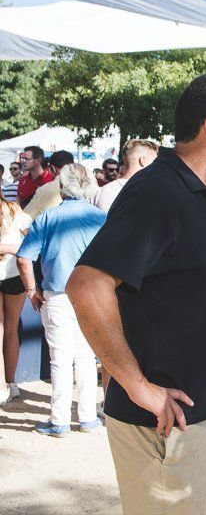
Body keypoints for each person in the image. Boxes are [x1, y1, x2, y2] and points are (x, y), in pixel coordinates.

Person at [66, 74, 206, 515]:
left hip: (198, 421)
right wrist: (138, 387)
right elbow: (87, 284)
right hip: (161, 427)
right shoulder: (158, 191)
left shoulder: (198, 192)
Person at [16, 164, 105, 435]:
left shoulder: (47, 217)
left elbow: (23, 258)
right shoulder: (100, 217)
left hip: (57, 295)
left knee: (60, 359)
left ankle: (60, 420)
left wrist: (31, 290)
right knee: (87, 358)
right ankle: (88, 417)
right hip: (91, 295)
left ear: (62, 186)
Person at [0, 193, 31, 403]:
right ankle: (11, 383)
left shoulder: (16, 210)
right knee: (11, 328)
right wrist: (13, 248)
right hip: (14, 274)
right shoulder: (16, 210)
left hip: (10, 273)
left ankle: (2, 385)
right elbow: (30, 241)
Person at [94, 139, 159, 213]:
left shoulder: (101, 192)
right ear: (143, 161)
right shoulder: (149, 192)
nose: (157, 166)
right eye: (154, 161)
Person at [24, 150, 76, 219]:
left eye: (26, 159)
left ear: (53, 169)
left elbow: (25, 217)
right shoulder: (86, 185)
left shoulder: (46, 189)